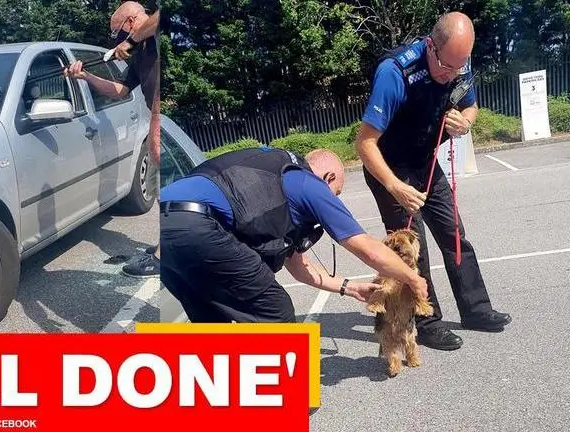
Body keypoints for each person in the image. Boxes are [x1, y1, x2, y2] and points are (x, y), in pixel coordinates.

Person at [355, 11, 511, 351]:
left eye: (459, 67)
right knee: (413, 248)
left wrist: (464, 122)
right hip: (389, 166)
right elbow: (364, 144)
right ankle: (427, 322)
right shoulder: (395, 73)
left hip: (425, 162)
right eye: (446, 67)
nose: (451, 75)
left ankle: (476, 309)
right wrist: (394, 186)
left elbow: (471, 108)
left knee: (455, 235)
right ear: (431, 45)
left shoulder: (458, 62)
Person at [159, 146, 429, 323]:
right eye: (336, 193)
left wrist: (349, 287)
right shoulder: (307, 183)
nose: (333, 199)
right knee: (276, 311)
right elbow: (367, 248)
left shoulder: (273, 184)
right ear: (329, 178)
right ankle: (289, 399)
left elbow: (299, 268)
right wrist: (413, 279)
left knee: (212, 320)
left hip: (164, 232)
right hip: (199, 226)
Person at [64, 1, 161, 278]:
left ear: (131, 22)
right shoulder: (141, 52)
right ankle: (165, 249)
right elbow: (120, 90)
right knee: (159, 187)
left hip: (160, 111)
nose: (116, 40)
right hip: (153, 112)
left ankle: (165, 257)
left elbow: (157, 18)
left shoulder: (152, 36)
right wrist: (84, 76)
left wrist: (129, 41)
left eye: (117, 32)